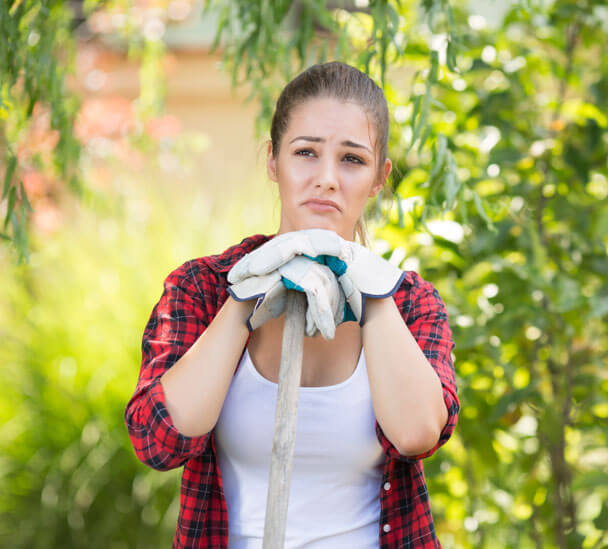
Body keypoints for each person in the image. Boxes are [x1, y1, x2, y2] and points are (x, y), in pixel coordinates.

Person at [124, 61, 459, 549]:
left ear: (379, 177)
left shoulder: (410, 302)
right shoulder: (203, 288)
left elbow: (416, 434)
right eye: (306, 152)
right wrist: (242, 302)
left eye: (352, 159)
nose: (327, 179)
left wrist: (374, 297)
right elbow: (160, 441)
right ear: (272, 161)